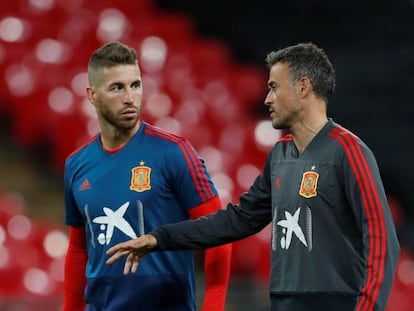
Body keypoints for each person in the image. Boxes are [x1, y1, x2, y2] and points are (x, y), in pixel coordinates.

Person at [106, 42, 400, 311]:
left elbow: (381, 240)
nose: (268, 98)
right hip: (283, 302)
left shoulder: (348, 151)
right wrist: (161, 238)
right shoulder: (280, 155)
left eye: (274, 87)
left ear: (303, 87)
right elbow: (238, 220)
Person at [62, 41, 232, 311]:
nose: (130, 97)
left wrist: (214, 305)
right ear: (92, 95)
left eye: (136, 85)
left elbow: (218, 231)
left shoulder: (174, 152)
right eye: (117, 87)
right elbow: (78, 251)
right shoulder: (76, 165)